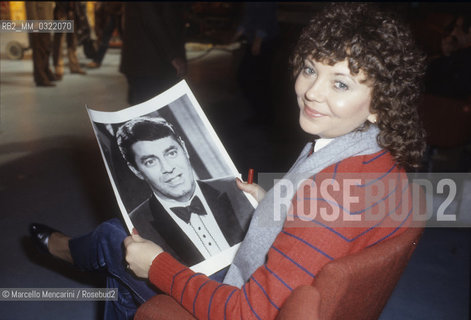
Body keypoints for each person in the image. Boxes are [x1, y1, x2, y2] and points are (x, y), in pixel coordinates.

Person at [30, 3, 426, 319]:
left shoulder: (328, 200)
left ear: (380, 103)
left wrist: (159, 267)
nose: (311, 92)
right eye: (310, 69)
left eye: (340, 83)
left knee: (117, 242)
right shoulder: (377, 157)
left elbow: (245, 311)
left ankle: (63, 248)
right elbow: (329, 227)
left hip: (241, 300)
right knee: (122, 241)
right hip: (279, 282)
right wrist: (274, 201)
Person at [114, 117, 254, 265]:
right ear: (136, 170)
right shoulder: (135, 227)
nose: (168, 168)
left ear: (184, 149)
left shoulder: (237, 187)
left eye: (171, 153)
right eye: (150, 162)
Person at [119, 3, 188, 105]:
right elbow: (151, 18)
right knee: (148, 107)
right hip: (149, 63)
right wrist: (173, 55)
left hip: (151, 62)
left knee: (149, 108)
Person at [24, 2, 57, 87]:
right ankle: (40, 77)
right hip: (38, 22)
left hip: (46, 20)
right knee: (39, 50)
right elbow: (30, 6)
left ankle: (45, 70)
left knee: (46, 48)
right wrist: (34, 22)